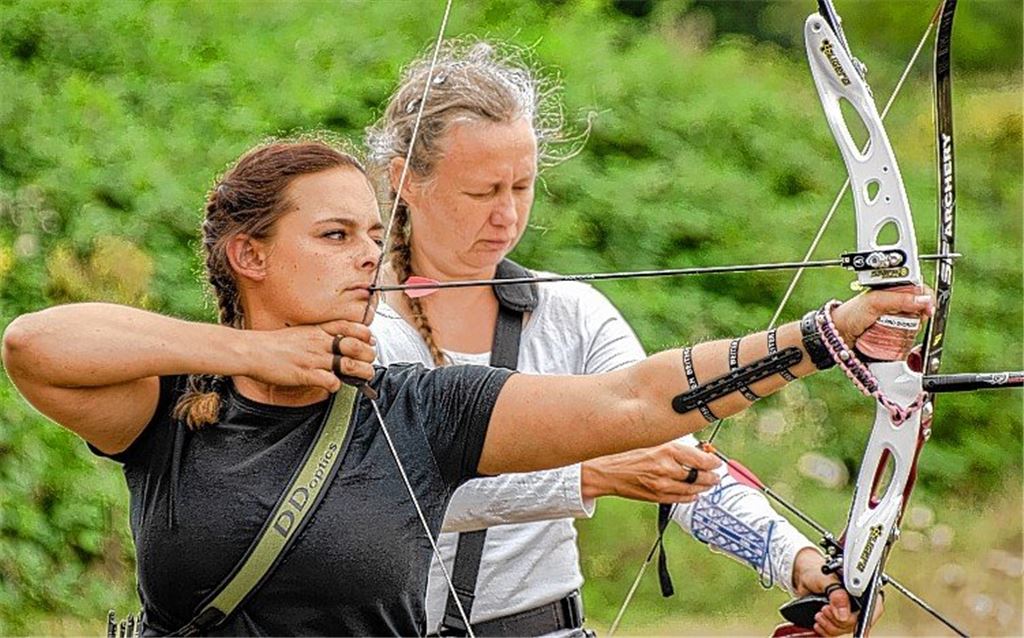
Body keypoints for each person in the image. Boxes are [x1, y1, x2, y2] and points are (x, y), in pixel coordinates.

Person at [0, 139, 930, 636]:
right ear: (249, 255)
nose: (368, 253)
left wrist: (823, 335)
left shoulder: (422, 406)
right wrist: (252, 356)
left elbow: (631, 405)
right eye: (333, 236)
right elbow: (35, 343)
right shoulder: (169, 411)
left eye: (373, 234)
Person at [364, 41, 882, 637]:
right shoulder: (359, 330)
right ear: (406, 180)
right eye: (482, 192)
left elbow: (675, 456)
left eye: (522, 187)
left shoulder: (571, 313)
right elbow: (381, 493)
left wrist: (800, 563)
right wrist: (589, 475)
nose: (506, 216)